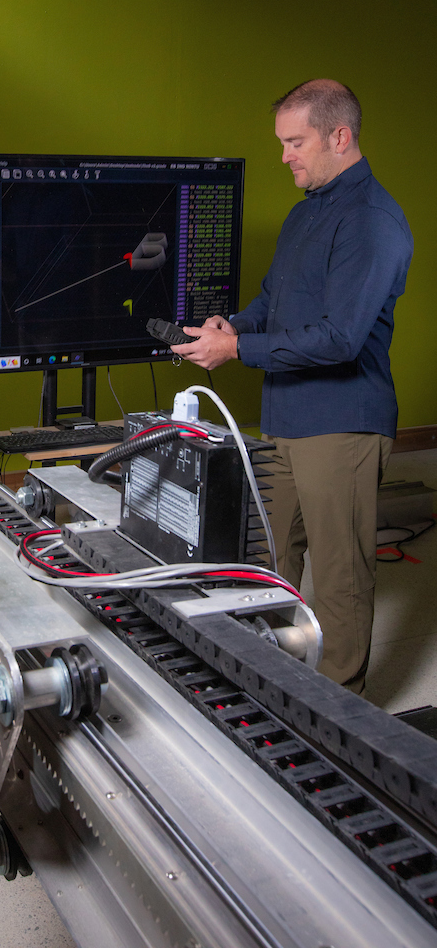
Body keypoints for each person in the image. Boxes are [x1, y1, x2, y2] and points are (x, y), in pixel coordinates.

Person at [171, 79, 413, 694]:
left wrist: (238, 350)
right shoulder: (308, 213)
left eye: (295, 142)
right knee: (266, 561)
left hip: (341, 424)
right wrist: (235, 326)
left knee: (338, 576)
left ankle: (339, 711)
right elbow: (276, 300)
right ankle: (270, 681)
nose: (284, 156)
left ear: (340, 136)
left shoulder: (373, 222)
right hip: (283, 418)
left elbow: (340, 338)